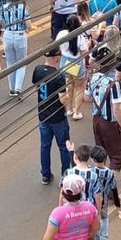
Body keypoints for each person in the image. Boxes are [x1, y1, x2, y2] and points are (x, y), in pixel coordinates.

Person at [43, 174, 99, 240]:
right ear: (80, 192)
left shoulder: (57, 213)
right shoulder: (90, 207)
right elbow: (96, 227)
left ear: (63, 192)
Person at [35, 48, 71, 184]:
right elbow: (63, 99)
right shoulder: (59, 76)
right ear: (56, 58)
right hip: (58, 117)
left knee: (45, 146)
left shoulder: (37, 70)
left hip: (43, 115)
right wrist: (69, 91)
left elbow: (36, 88)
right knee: (64, 146)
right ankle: (65, 175)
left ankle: (45, 174)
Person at [87, 47, 121, 171]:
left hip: (96, 120)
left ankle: (99, 177)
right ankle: (110, 180)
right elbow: (117, 109)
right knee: (115, 157)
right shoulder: (113, 84)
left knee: (100, 154)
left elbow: (86, 97)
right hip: (110, 124)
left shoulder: (92, 78)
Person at [0, 0, 31, 97]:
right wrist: (27, 29)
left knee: (10, 63)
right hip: (20, 35)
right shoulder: (24, 8)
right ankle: (17, 88)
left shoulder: (3, 7)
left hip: (7, 35)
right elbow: (29, 25)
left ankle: (11, 89)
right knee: (21, 63)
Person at [57, 15, 91, 121]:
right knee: (79, 88)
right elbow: (85, 53)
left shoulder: (61, 34)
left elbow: (57, 46)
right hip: (77, 64)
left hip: (64, 62)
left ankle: (69, 110)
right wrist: (88, 45)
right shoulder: (80, 37)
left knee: (69, 86)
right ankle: (77, 112)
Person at [89, 146, 119, 240]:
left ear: (93, 159)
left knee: (95, 221)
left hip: (92, 202)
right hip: (104, 201)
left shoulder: (91, 171)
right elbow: (114, 187)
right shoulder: (110, 173)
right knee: (104, 218)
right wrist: (117, 202)